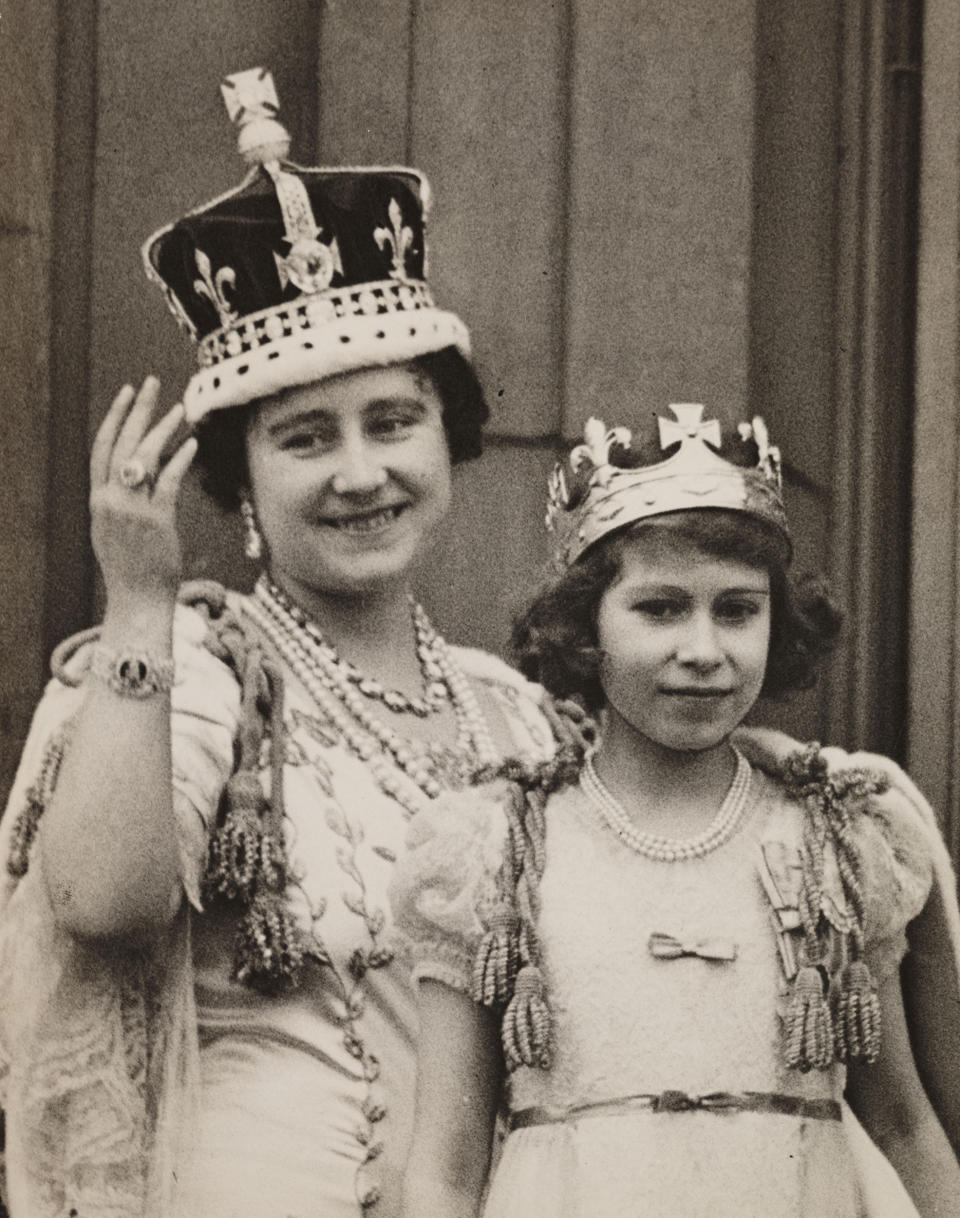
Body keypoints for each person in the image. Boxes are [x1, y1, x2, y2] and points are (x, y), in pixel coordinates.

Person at [0, 68, 563, 1218]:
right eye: (307, 438)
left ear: (446, 445)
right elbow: (103, 906)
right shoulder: (196, 672)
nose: (363, 473)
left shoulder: (513, 712)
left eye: (394, 422)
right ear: (242, 484)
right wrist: (141, 604)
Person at [390, 406, 960, 1216]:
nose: (703, 649)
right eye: (659, 609)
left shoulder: (836, 835)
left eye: (737, 610)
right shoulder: (496, 848)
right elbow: (444, 1168)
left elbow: (903, 1125)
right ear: (585, 626)